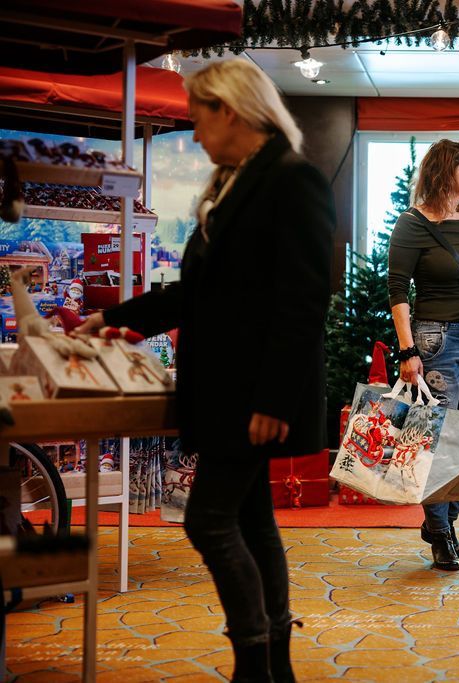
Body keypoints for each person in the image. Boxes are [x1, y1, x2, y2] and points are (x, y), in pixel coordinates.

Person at [75, 59, 332, 683]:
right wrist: (115, 318)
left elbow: (303, 301)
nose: (194, 133)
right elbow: (196, 292)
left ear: (231, 111)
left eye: (198, 118)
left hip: (251, 395)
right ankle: (273, 664)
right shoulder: (232, 182)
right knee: (251, 520)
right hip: (226, 391)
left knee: (208, 519)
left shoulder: (291, 179)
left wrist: (274, 399)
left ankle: (254, 663)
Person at [387, 139, 459, 572]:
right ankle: (441, 534)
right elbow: (398, 290)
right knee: (437, 442)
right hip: (436, 341)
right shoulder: (412, 223)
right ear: (446, 172)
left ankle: (441, 523)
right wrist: (407, 351)